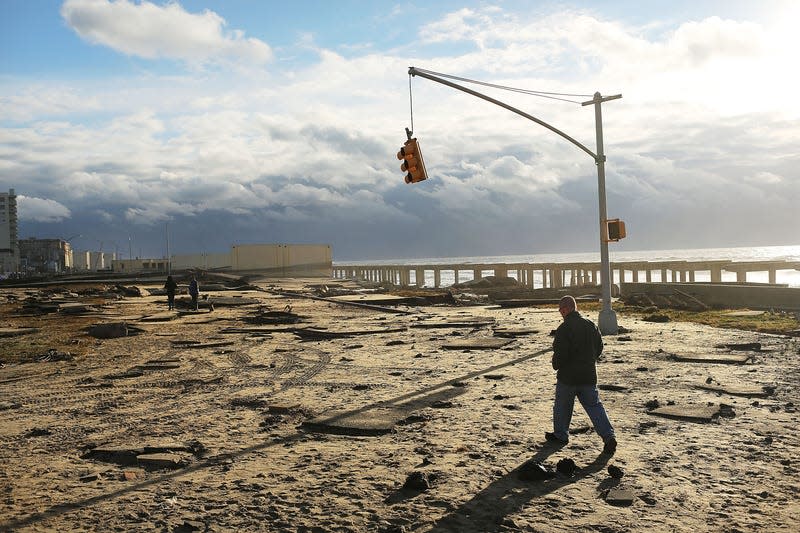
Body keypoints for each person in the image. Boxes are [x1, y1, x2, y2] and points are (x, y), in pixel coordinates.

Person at [547, 295, 617, 455]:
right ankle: (608, 436)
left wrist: (555, 365)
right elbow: (599, 347)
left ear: (565, 309)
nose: (561, 314)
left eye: (561, 311)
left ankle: (561, 435)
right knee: (594, 406)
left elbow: (560, 353)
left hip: (568, 376)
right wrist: (590, 360)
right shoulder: (590, 325)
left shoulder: (564, 329)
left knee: (562, 406)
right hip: (588, 375)